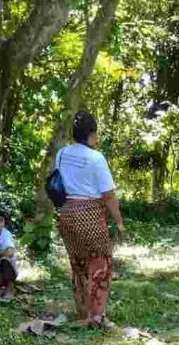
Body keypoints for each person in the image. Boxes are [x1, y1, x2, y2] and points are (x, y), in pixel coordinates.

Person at [55, 111, 126, 328]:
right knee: (100, 263)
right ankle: (96, 316)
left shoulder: (62, 154)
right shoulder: (96, 158)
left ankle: (83, 312)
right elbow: (109, 195)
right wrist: (119, 221)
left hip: (65, 213)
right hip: (89, 214)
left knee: (78, 264)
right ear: (92, 134)